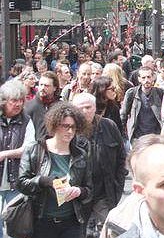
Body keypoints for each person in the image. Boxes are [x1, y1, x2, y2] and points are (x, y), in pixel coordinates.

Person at [18, 102, 92, 238]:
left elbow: (89, 190)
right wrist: (44, 181)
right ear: (55, 124)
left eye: (73, 127)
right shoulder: (35, 150)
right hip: (41, 221)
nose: (70, 131)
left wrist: (79, 191)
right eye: (65, 126)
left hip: (72, 222)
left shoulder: (80, 155)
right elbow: (22, 184)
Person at [73, 93, 127, 238]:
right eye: (80, 108)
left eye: (88, 107)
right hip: (79, 195)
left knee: (111, 231)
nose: (85, 111)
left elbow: (122, 156)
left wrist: (118, 183)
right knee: (79, 232)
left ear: (95, 107)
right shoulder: (69, 129)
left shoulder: (109, 125)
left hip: (104, 191)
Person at [0, 80, 35, 237]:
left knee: (17, 224)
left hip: (16, 183)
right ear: (4, 101)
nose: (18, 104)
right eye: (14, 100)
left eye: (21, 100)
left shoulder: (26, 121)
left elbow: (28, 149)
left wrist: (5, 154)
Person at [120, 66, 164, 143]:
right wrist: (125, 134)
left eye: (148, 77)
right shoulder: (131, 93)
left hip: (156, 137)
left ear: (153, 77)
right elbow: (123, 115)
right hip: (137, 138)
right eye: (143, 78)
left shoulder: (160, 93)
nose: (146, 80)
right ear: (139, 79)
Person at [25, 70, 61, 140]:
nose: (42, 88)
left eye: (46, 86)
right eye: (41, 85)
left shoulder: (60, 107)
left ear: (54, 88)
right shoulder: (29, 106)